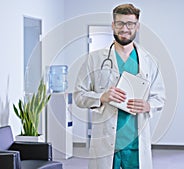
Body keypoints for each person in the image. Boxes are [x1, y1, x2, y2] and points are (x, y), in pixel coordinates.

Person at [74, 3, 165, 169]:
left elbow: (159, 97)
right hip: (106, 142)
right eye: (120, 23)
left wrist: (148, 105)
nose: (125, 28)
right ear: (113, 25)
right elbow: (79, 96)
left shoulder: (149, 61)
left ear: (137, 26)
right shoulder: (94, 59)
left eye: (130, 24)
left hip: (135, 144)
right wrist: (101, 97)